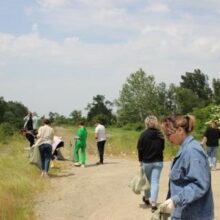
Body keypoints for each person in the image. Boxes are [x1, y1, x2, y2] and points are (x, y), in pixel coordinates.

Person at [160, 115, 214, 220]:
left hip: (193, 215)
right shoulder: (186, 149)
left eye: (168, 134)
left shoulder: (192, 151)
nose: (167, 139)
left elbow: (200, 184)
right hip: (185, 213)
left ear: (180, 130)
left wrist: (175, 201)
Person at [137, 115, 165, 213]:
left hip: (147, 162)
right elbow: (162, 148)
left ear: (146, 123)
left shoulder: (143, 134)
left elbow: (140, 149)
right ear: (156, 123)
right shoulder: (160, 134)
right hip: (158, 161)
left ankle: (147, 198)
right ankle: (153, 204)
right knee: (155, 182)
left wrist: (140, 160)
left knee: (147, 182)